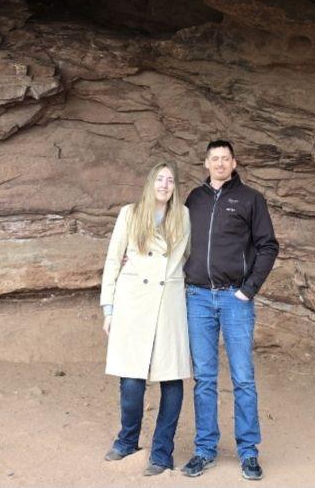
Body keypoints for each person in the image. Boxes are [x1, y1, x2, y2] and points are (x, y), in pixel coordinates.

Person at [181, 140, 279, 482]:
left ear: (234, 162)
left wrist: (247, 290)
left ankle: (248, 452)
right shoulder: (194, 198)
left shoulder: (251, 199)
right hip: (196, 297)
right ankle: (205, 449)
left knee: (242, 378)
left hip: (233, 299)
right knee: (204, 378)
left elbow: (268, 246)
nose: (220, 163)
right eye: (214, 158)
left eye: (225, 158)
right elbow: (176, 240)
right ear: (206, 163)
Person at [100, 161, 191, 476]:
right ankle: (127, 439)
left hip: (168, 303)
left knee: (171, 377)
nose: (165, 185)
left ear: (175, 186)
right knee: (132, 379)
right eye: (160, 179)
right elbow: (114, 259)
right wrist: (108, 308)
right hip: (133, 302)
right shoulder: (130, 213)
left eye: (170, 180)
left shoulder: (183, 216)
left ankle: (162, 452)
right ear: (150, 182)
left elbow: (189, 256)